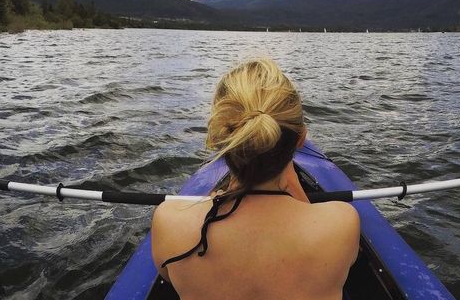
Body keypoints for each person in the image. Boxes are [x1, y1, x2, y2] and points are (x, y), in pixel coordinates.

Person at [151, 58, 360, 300]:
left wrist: (216, 199)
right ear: (300, 139)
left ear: (219, 138)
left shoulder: (169, 221)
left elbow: (168, 276)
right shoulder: (341, 224)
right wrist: (287, 179)